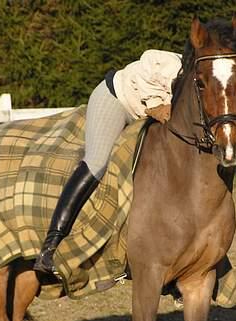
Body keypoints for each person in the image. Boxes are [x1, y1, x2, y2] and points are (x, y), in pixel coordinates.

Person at [33, 49, 182, 275]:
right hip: (116, 99)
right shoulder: (172, 62)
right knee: (98, 162)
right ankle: (50, 247)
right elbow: (147, 58)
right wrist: (154, 101)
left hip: (141, 115)